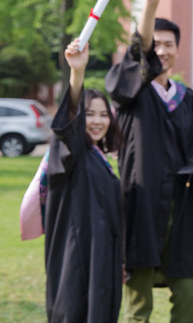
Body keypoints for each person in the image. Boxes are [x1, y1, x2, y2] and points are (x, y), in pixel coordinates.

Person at [105, 0, 193, 323]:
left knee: (188, 293)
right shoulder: (133, 93)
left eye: (169, 45)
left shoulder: (188, 99)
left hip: (180, 209)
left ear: (179, 51)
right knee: (138, 306)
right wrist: (150, 2)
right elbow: (138, 54)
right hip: (140, 206)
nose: (161, 51)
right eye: (156, 44)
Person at [44, 38, 123, 322]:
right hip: (74, 260)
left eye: (104, 115)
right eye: (90, 114)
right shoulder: (72, 154)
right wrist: (78, 73)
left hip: (102, 262)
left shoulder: (101, 161)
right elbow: (69, 127)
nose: (98, 121)